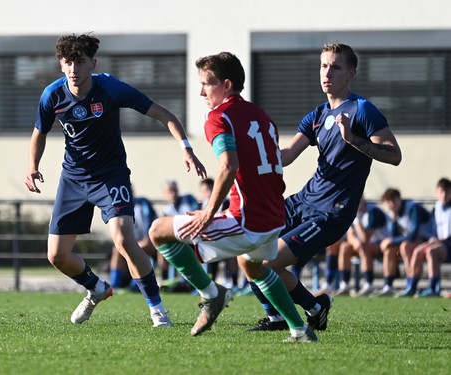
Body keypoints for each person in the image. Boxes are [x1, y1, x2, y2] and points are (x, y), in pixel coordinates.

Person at [24, 33, 206, 327]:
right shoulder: (52, 95)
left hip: (111, 175)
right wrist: (33, 165)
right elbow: (39, 133)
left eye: (80, 62)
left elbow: (165, 115)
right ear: (61, 65)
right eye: (68, 62)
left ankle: (157, 309)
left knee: (124, 239)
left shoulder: (111, 89)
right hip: (73, 178)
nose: (74, 69)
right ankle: (96, 288)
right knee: (56, 255)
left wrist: (186, 149)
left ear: (92, 63)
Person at [149, 51, 318, 342]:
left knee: (158, 231)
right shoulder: (261, 116)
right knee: (252, 266)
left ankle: (211, 294)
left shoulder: (218, 117)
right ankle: (300, 330)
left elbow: (229, 165)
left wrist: (209, 212)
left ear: (227, 85)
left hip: (248, 219)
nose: (202, 91)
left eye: (207, 84)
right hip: (274, 217)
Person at [246, 43, 402, 332]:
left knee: (268, 262)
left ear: (351, 74)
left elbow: (395, 155)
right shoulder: (316, 115)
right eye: (323, 66)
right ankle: (293, 313)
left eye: (335, 67)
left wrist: (354, 139)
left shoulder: (362, 110)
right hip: (302, 201)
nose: (327, 73)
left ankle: (308, 309)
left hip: (331, 212)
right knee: (248, 250)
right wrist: (253, 154)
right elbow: (287, 156)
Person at [398, 178, 451, 297]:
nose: (444, 195)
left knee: (431, 251)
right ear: (437, 192)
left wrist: (437, 241)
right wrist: (434, 240)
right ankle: (411, 286)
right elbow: (435, 232)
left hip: (447, 245)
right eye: (441, 192)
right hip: (439, 243)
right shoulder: (436, 208)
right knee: (417, 251)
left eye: (447, 192)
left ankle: (433, 288)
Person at [377, 188, 433, 297]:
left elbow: (413, 235)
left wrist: (391, 240)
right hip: (411, 242)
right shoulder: (393, 213)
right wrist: (393, 221)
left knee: (405, 246)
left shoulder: (413, 208)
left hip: (427, 240)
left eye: (393, 200)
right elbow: (393, 235)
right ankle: (388, 286)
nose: (391, 204)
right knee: (390, 250)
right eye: (388, 202)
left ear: (399, 199)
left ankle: (410, 284)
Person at [335, 197, 387, 297]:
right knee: (345, 247)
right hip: (362, 245)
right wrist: (356, 243)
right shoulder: (352, 211)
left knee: (365, 247)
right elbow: (351, 235)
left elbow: (365, 238)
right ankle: (344, 284)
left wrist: (356, 220)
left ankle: (368, 284)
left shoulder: (374, 212)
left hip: (380, 243)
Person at [109, 190, 158, 290]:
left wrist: (142, 241)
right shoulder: (119, 208)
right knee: (116, 249)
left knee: (137, 247)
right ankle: (115, 285)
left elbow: (148, 229)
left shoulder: (142, 203)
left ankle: (137, 284)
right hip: (133, 243)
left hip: (149, 242)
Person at [199, 178, 238, 290]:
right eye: (204, 190)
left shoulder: (226, 202)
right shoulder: (201, 205)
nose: (207, 193)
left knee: (231, 254)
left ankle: (234, 283)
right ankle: (210, 283)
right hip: (210, 240)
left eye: (209, 190)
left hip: (225, 237)